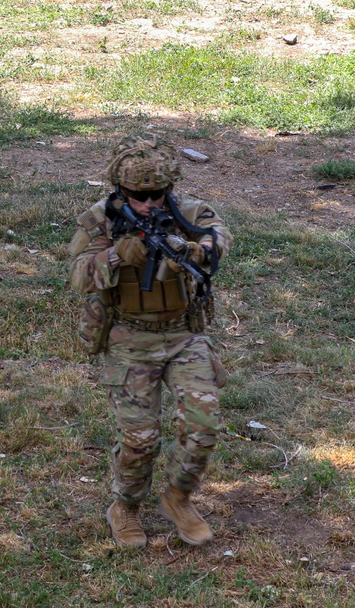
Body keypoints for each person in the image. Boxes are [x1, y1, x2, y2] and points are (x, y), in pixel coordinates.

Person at [68, 133, 233, 549]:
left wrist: (197, 250)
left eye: (156, 195)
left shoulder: (188, 212)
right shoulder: (99, 220)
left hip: (182, 334)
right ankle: (124, 507)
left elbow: (218, 237)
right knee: (140, 441)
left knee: (204, 424)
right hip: (129, 336)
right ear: (119, 190)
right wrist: (117, 255)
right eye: (136, 196)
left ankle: (177, 498)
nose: (148, 204)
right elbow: (77, 277)